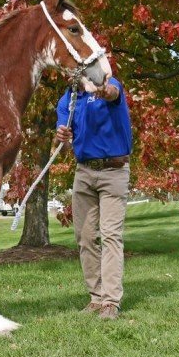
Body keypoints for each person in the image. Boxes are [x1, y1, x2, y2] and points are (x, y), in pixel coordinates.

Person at [55, 77, 132, 320]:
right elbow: (66, 146)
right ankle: (96, 297)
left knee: (110, 234)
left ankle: (111, 301)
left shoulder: (109, 83)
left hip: (114, 170)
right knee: (85, 236)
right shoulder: (66, 100)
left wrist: (100, 88)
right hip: (84, 172)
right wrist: (62, 138)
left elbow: (111, 93)